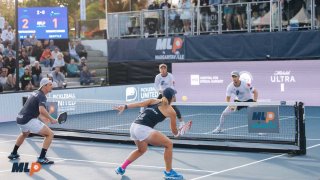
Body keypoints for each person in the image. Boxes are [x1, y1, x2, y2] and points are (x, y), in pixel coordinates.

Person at [114, 87, 184, 180]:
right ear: (171, 97)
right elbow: (174, 131)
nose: (175, 97)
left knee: (141, 150)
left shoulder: (154, 101)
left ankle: (121, 168)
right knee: (169, 144)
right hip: (142, 129)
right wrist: (178, 133)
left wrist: (125, 106)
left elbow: (139, 104)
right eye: (174, 95)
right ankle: (169, 172)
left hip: (134, 126)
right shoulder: (171, 111)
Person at [8, 78, 57, 164]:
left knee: (24, 134)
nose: (51, 86)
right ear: (44, 86)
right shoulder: (42, 96)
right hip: (28, 120)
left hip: (20, 119)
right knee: (50, 134)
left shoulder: (35, 92)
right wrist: (51, 119)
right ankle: (41, 158)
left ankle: (13, 153)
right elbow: (41, 110)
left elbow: (34, 109)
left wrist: (43, 118)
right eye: (50, 85)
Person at [154, 64, 185, 128]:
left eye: (164, 68)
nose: (163, 70)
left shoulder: (170, 76)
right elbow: (156, 86)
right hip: (162, 93)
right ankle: (153, 120)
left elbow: (172, 86)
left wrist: (171, 94)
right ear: (159, 69)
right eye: (161, 68)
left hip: (170, 93)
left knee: (173, 107)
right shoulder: (158, 76)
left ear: (166, 69)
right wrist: (160, 91)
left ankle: (182, 122)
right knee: (155, 104)